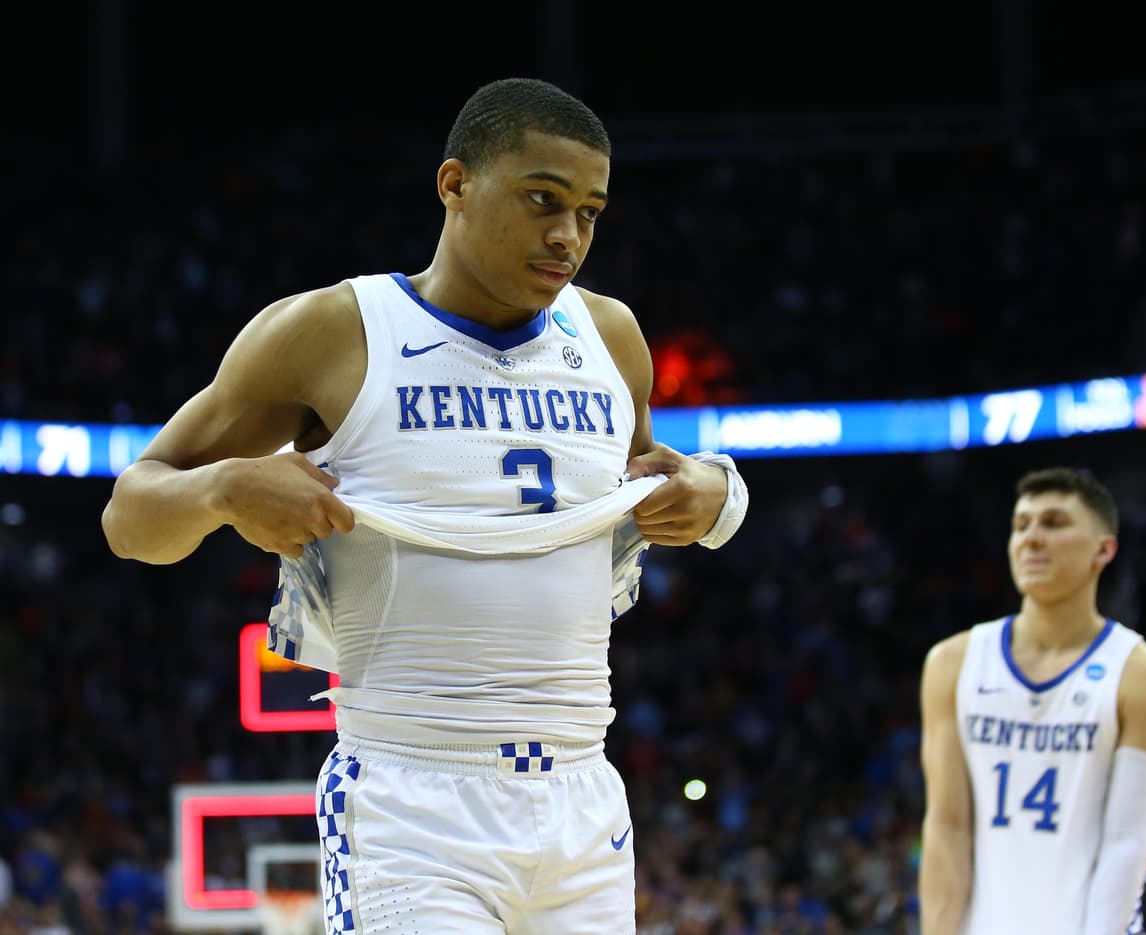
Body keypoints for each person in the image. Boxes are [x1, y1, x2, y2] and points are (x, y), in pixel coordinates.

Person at [101, 77, 748, 934]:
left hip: (586, 798)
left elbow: (656, 487)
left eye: (590, 212)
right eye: (542, 200)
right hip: (413, 803)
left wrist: (715, 493)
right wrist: (222, 489)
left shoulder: (613, 339)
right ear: (455, 184)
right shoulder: (332, 330)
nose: (568, 235)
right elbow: (129, 514)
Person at [917, 466, 1146, 935]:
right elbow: (947, 827)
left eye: (1054, 523)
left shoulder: (1142, 675)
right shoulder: (952, 663)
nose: (1031, 539)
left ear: (1104, 549)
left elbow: (1127, 842)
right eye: (1022, 525)